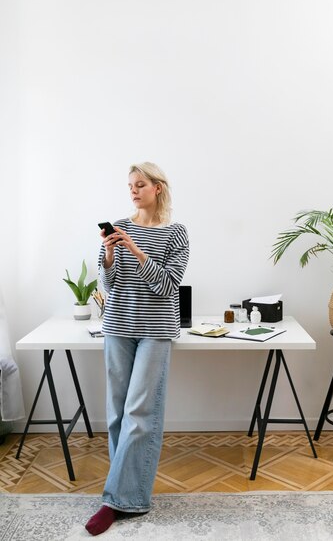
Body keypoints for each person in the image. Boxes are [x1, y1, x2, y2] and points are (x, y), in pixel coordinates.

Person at [85, 161, 189, 536]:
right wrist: (112, 253)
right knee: (116, 413)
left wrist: (136, 250)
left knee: (140, 412)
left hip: (155, 331)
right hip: (117, 326)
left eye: (140, 184)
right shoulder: (120, 226)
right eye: (130, 184)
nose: (133, 190)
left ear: (157, 188)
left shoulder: (176, 234)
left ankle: (115, 501)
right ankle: (126, 496)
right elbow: (108, 284)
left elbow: (167, 286)